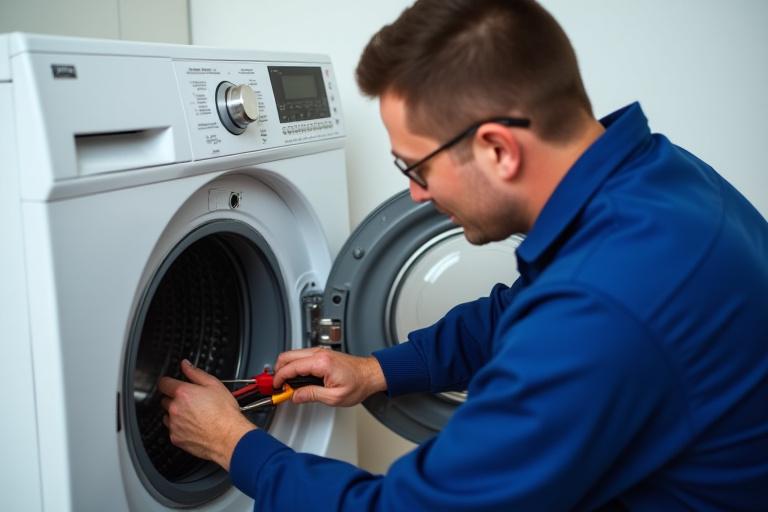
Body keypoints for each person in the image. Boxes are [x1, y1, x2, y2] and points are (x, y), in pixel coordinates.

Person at [158, 0, 768, 510]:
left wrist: (236, 447)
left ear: (498, 149)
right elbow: (520, 311)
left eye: (416, 167)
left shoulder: (606, 307)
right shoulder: (653, 179)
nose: (415, 193)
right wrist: (378, 371)